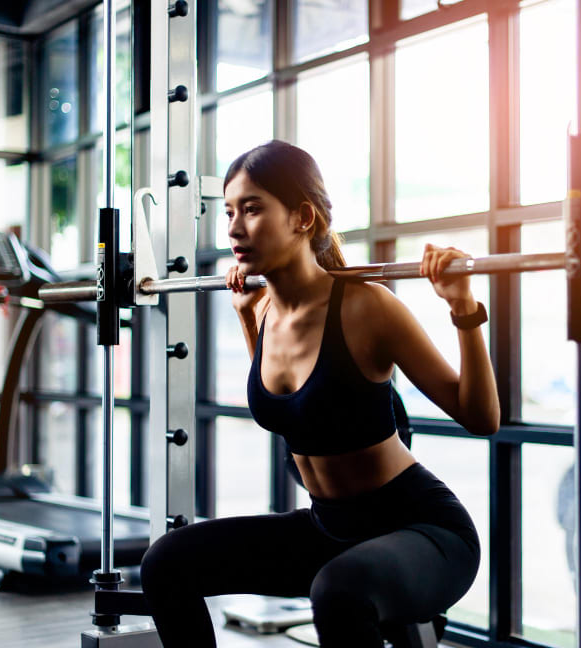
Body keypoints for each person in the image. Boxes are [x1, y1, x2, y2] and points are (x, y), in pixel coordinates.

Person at [140, 140, 499, 648]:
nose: (235, 227)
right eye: (229, 212)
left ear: (303, 217)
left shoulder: (365, 307)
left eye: (253, 208)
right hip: (329, 529)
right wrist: (246, 315)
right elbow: (296, 410)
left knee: (339, 591)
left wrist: (463, 309)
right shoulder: (264, 312)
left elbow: (480, 417)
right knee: (167, 561)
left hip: (423, 530)